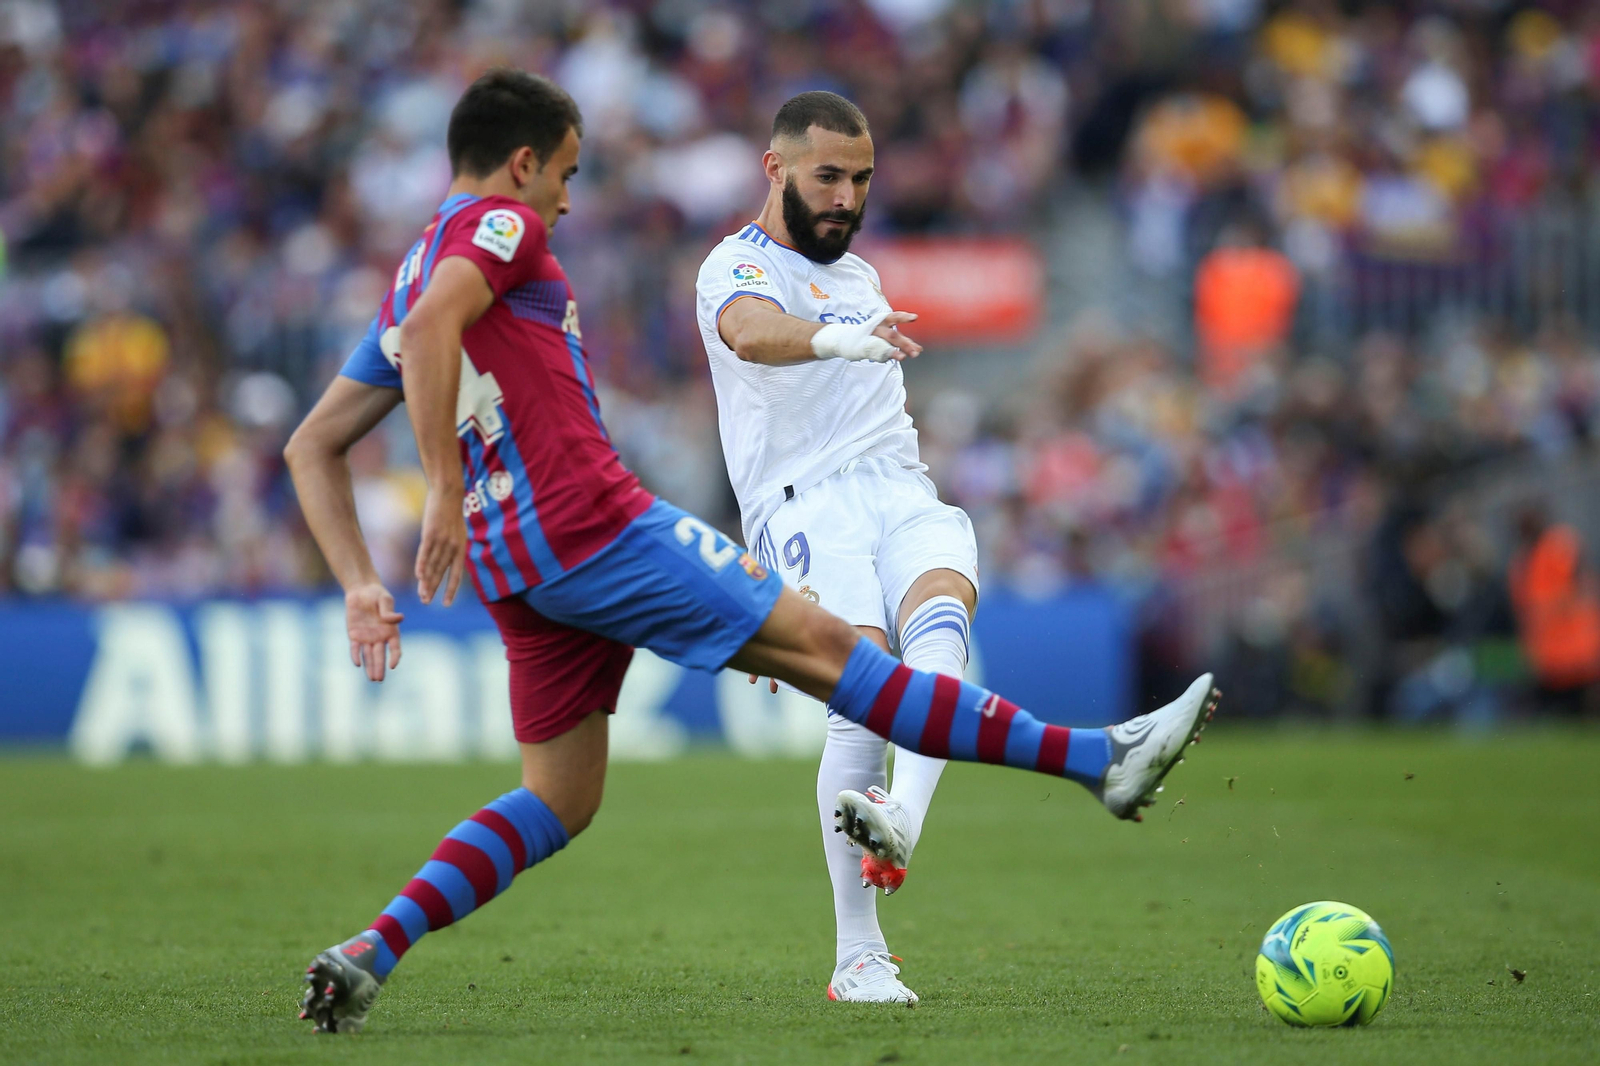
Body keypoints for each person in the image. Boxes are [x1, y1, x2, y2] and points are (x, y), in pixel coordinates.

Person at [284, 68, 1219, 1034]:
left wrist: (361, 580)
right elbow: (444, 326)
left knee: (559, 798)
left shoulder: (407, 272)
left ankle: (371, 949)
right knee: (845, 665)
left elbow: (313, 444)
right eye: (564, 171)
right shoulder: (502, 227)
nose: (567, 197)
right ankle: (1095, 760)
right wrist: (439, 483)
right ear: (521, 164)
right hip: (595, 522)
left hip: (518, 567)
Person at [694, 91, 971, 1004]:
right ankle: (859, 957)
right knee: (866, 682)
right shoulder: (734, 267)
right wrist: (837, 341)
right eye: (828, 176)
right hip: (801, 504)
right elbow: (750, 333)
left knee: (943, 614)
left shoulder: (860, 277)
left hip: (899, 485)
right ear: (774, 170)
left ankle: (902, 817)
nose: (847, 196)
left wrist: (853, 328)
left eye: (860, 179)